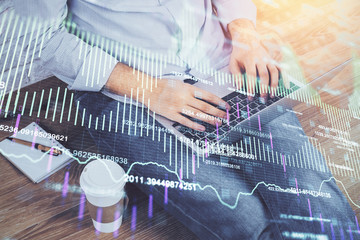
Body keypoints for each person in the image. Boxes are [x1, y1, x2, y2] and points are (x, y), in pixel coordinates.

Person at [6, 0, 358, 239]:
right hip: (124, 89)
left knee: (317, 204)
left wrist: (245, 33)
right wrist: (148, 89)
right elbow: (37, 39)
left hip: (223, 63)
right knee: (244, 220)